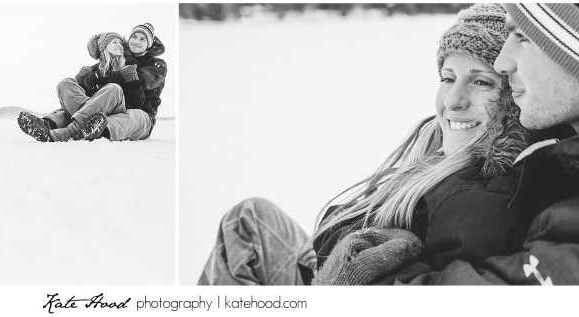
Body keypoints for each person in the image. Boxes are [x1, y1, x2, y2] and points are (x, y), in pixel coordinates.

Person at [197, 4, 536, 286]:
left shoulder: (483, 199)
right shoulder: (445, 152)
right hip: (326, 263)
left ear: (514, 95)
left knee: (246, 224)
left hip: (330, 282)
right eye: (448, 78)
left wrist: (352, 275)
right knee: (250, 217)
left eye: (481, 81)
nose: (453, 100)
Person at [385, 2, 579, 285]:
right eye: (447, 78)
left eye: (523, 37)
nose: (502, 62)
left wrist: (368, 269)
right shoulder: (572, 168)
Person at [20, 23, 167, 142]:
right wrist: (82, 79)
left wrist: (102, 76)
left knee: (128, 113)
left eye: (143, 39)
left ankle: (77, 131)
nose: (136, 41)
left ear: (149, 43)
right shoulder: (116, 60)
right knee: (67, 84)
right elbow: (87, 91)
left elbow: (140, 85)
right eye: (134, 37)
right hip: (104, 109)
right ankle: (47, 124)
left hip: (139, 114)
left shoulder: (157, 64)